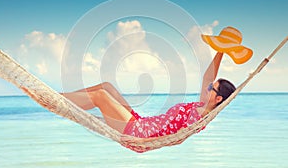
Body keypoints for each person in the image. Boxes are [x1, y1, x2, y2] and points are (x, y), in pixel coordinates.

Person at [63, 26, 252, 138]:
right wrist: (221, 50)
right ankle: (59, 99)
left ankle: (60, 103)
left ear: (218, 99)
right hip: (141, 122)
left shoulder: (201, 117)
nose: (208, 87)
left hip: (139, 134)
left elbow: (208, 83)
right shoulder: (201, 106)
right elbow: (207, 78)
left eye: (212, 88)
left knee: (100, 96)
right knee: (107, 87)